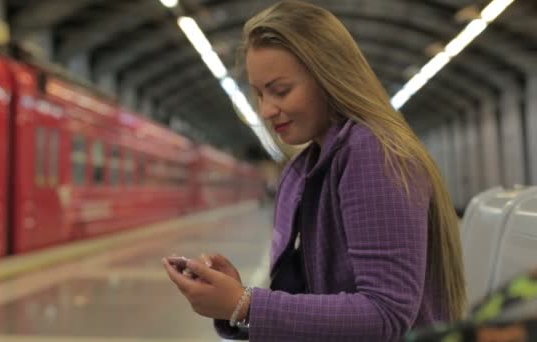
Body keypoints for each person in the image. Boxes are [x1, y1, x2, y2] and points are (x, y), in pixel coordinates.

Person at [162, 1, 466, 341]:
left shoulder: (371, 152)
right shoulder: (320, 160)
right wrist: (234, 298)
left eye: (280, 90)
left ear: (329, 76)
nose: (266, 109)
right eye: (259, 94)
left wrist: (246, 304)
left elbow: (386, 316)